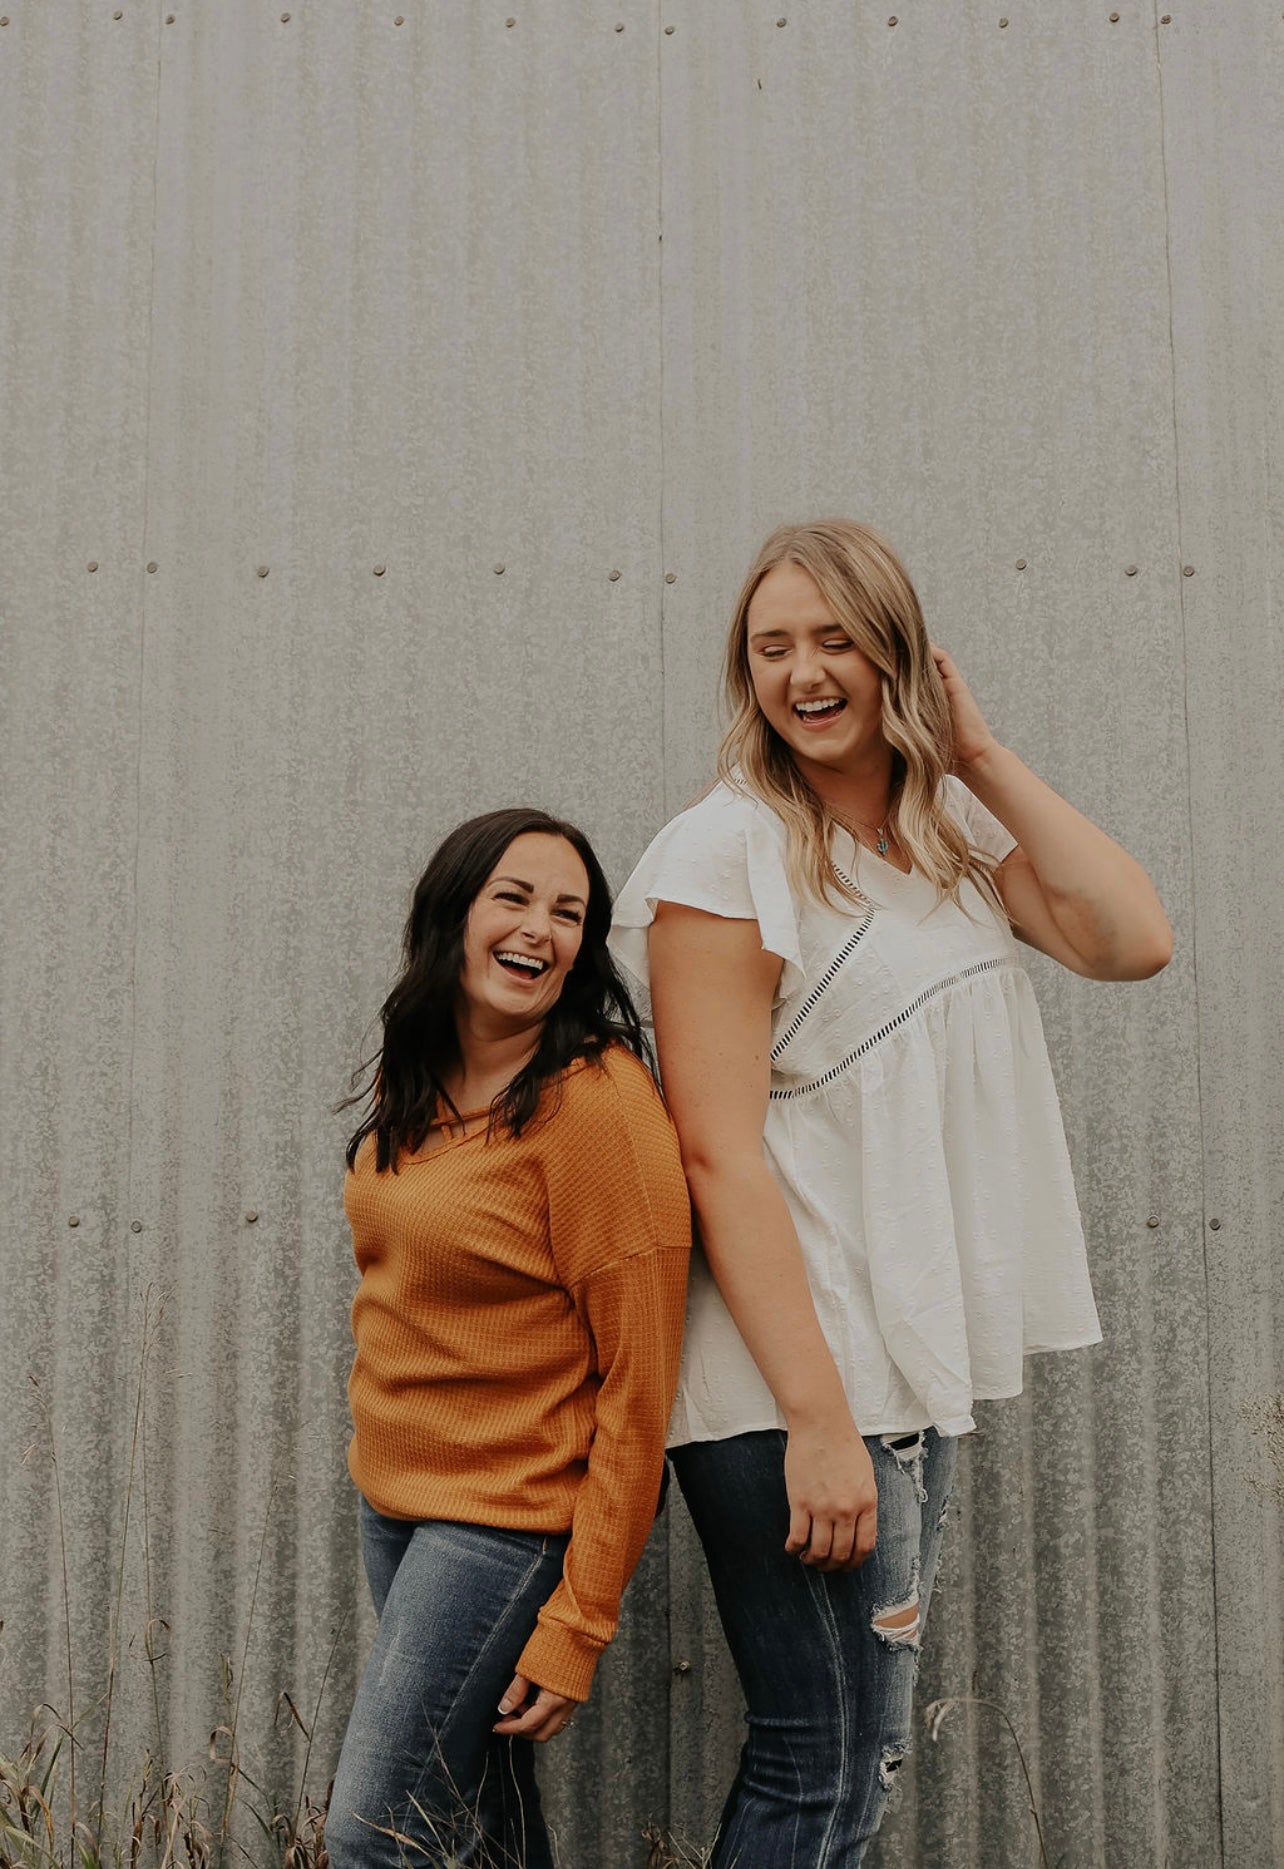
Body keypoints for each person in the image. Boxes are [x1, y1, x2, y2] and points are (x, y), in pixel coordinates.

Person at [609, 519, 1173, 1866]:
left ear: (900, 656)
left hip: (898, 1380)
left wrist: (976, 751)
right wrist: (818, 1422)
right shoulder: (722, 854)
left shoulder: (947, 833)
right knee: (821, 1768)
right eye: (772, 646)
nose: (804, 671)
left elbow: (1131, 938)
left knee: (860, 1765)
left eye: (837, 638)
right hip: (793, 1386)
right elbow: (716, 1153)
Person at [326, 807, 691, 1869]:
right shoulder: (424, 1076)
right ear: (455, 914)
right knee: (483, 1827)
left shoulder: (595, 1106)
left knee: (372, 1838)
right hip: (393, 1500)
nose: (542, 928)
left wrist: (580, 1620)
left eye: (570, 912)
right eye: (516, 899)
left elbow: (638, 1386)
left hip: (502, 1524)